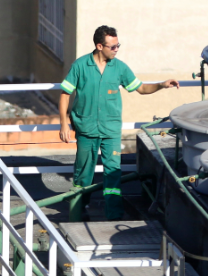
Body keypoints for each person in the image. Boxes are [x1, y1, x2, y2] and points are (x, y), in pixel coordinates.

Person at [58, 25, 179, 221]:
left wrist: (161, 85)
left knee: (113, 173)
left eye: (117, 45)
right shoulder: (80, 66)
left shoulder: (120, 68)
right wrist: (64, 123)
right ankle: (78, 210)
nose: (116, 49)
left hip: (111, 130)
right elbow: (65, 95)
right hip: (86, 128)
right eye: (112, 46)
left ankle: (113, 215)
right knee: (83, 174)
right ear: (99, 46)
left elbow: (140, 88)